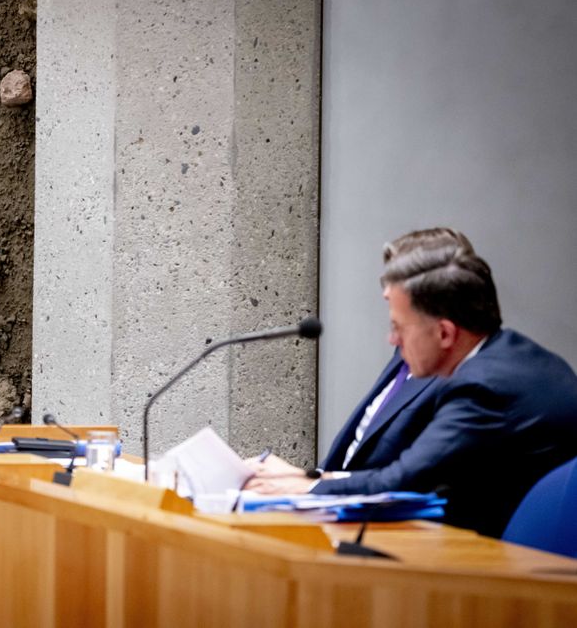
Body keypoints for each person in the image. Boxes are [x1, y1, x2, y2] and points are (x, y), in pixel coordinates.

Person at [247, 228, 577, 537]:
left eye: (399, 327)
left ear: (445, 333)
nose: (391, 338)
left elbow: (404, 480)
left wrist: (305, 487)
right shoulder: (512, 355)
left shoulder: (483, 387)